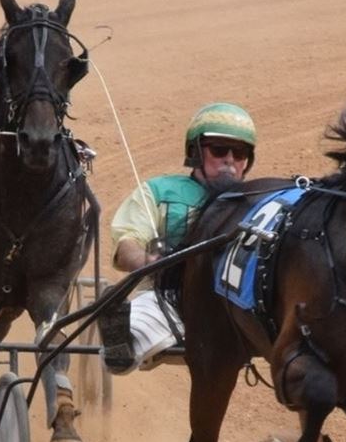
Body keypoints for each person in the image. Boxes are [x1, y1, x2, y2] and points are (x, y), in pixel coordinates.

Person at [101, 102, 257, 373]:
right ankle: (121, 332)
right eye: (219, 150)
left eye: (240, 152)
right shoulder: (159, 191)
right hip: (169, 298)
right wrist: (150, 260)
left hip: (236, 306)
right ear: (195, 152)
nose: (230, 160)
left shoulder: (259, 201)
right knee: (123, 354)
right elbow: (128, 243)